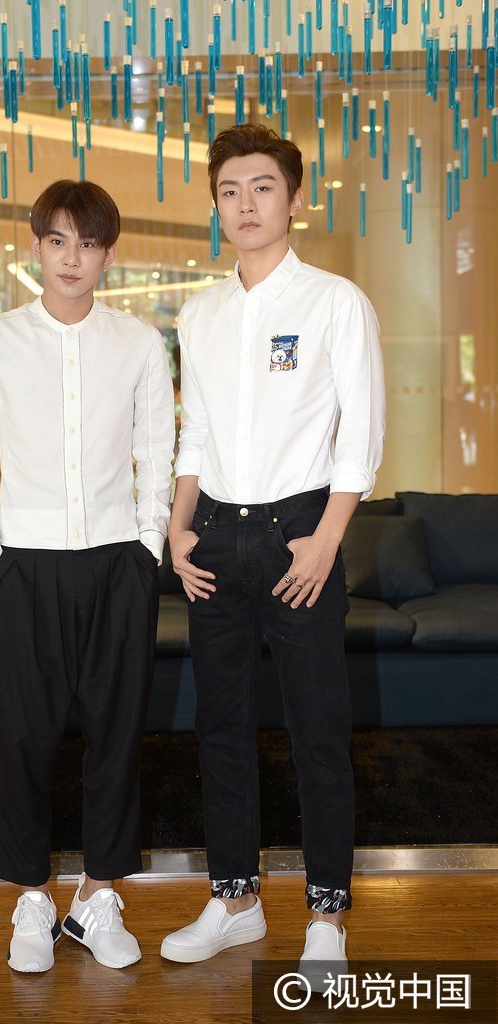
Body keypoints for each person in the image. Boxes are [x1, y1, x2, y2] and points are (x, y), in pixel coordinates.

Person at [160, 124, 385, 990]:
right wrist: (177, 531)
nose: (245, 204)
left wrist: (326, 539)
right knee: (218, 727)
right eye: (229, 190)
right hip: (215, 538)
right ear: (216, 206)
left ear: (294, 199)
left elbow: (359, 435)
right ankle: (235, 900)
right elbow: (196, 433)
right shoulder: (199, 313)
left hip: (300, 534)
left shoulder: (334, 302)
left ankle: (325, 916)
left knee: (316, 731)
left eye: (261, 187)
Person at [0, 179, 175, 974]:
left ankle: (98, 897)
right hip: (23, 568)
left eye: (87, 243)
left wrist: (147, 545)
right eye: (57, 240)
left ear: (108, 254)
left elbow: (157, 452)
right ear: (35, 247)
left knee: (116, 735)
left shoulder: (139, 342)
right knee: (23, 738)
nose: (71, 257)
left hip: (118, 564)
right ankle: (30, 899)